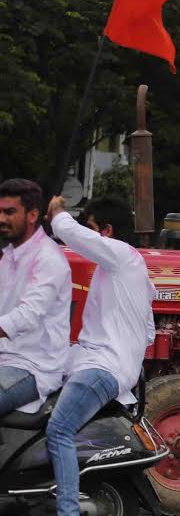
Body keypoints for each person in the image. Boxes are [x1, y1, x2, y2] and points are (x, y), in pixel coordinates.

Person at [35, 195, 154, 516]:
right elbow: (147, 333)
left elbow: (69, 233)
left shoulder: (120, 256)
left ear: (106, 231)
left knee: (59, 430)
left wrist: (56, 213)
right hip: (94, 360)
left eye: (92, 229)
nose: (85, 238)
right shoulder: (122, 270)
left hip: (102, 368)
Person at [0, 179, 71, 418]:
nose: (1, 219)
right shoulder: (9, 256)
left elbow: (27, 315)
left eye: (9, 212)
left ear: (32, 215)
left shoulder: (48, 258)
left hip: (31, 366)